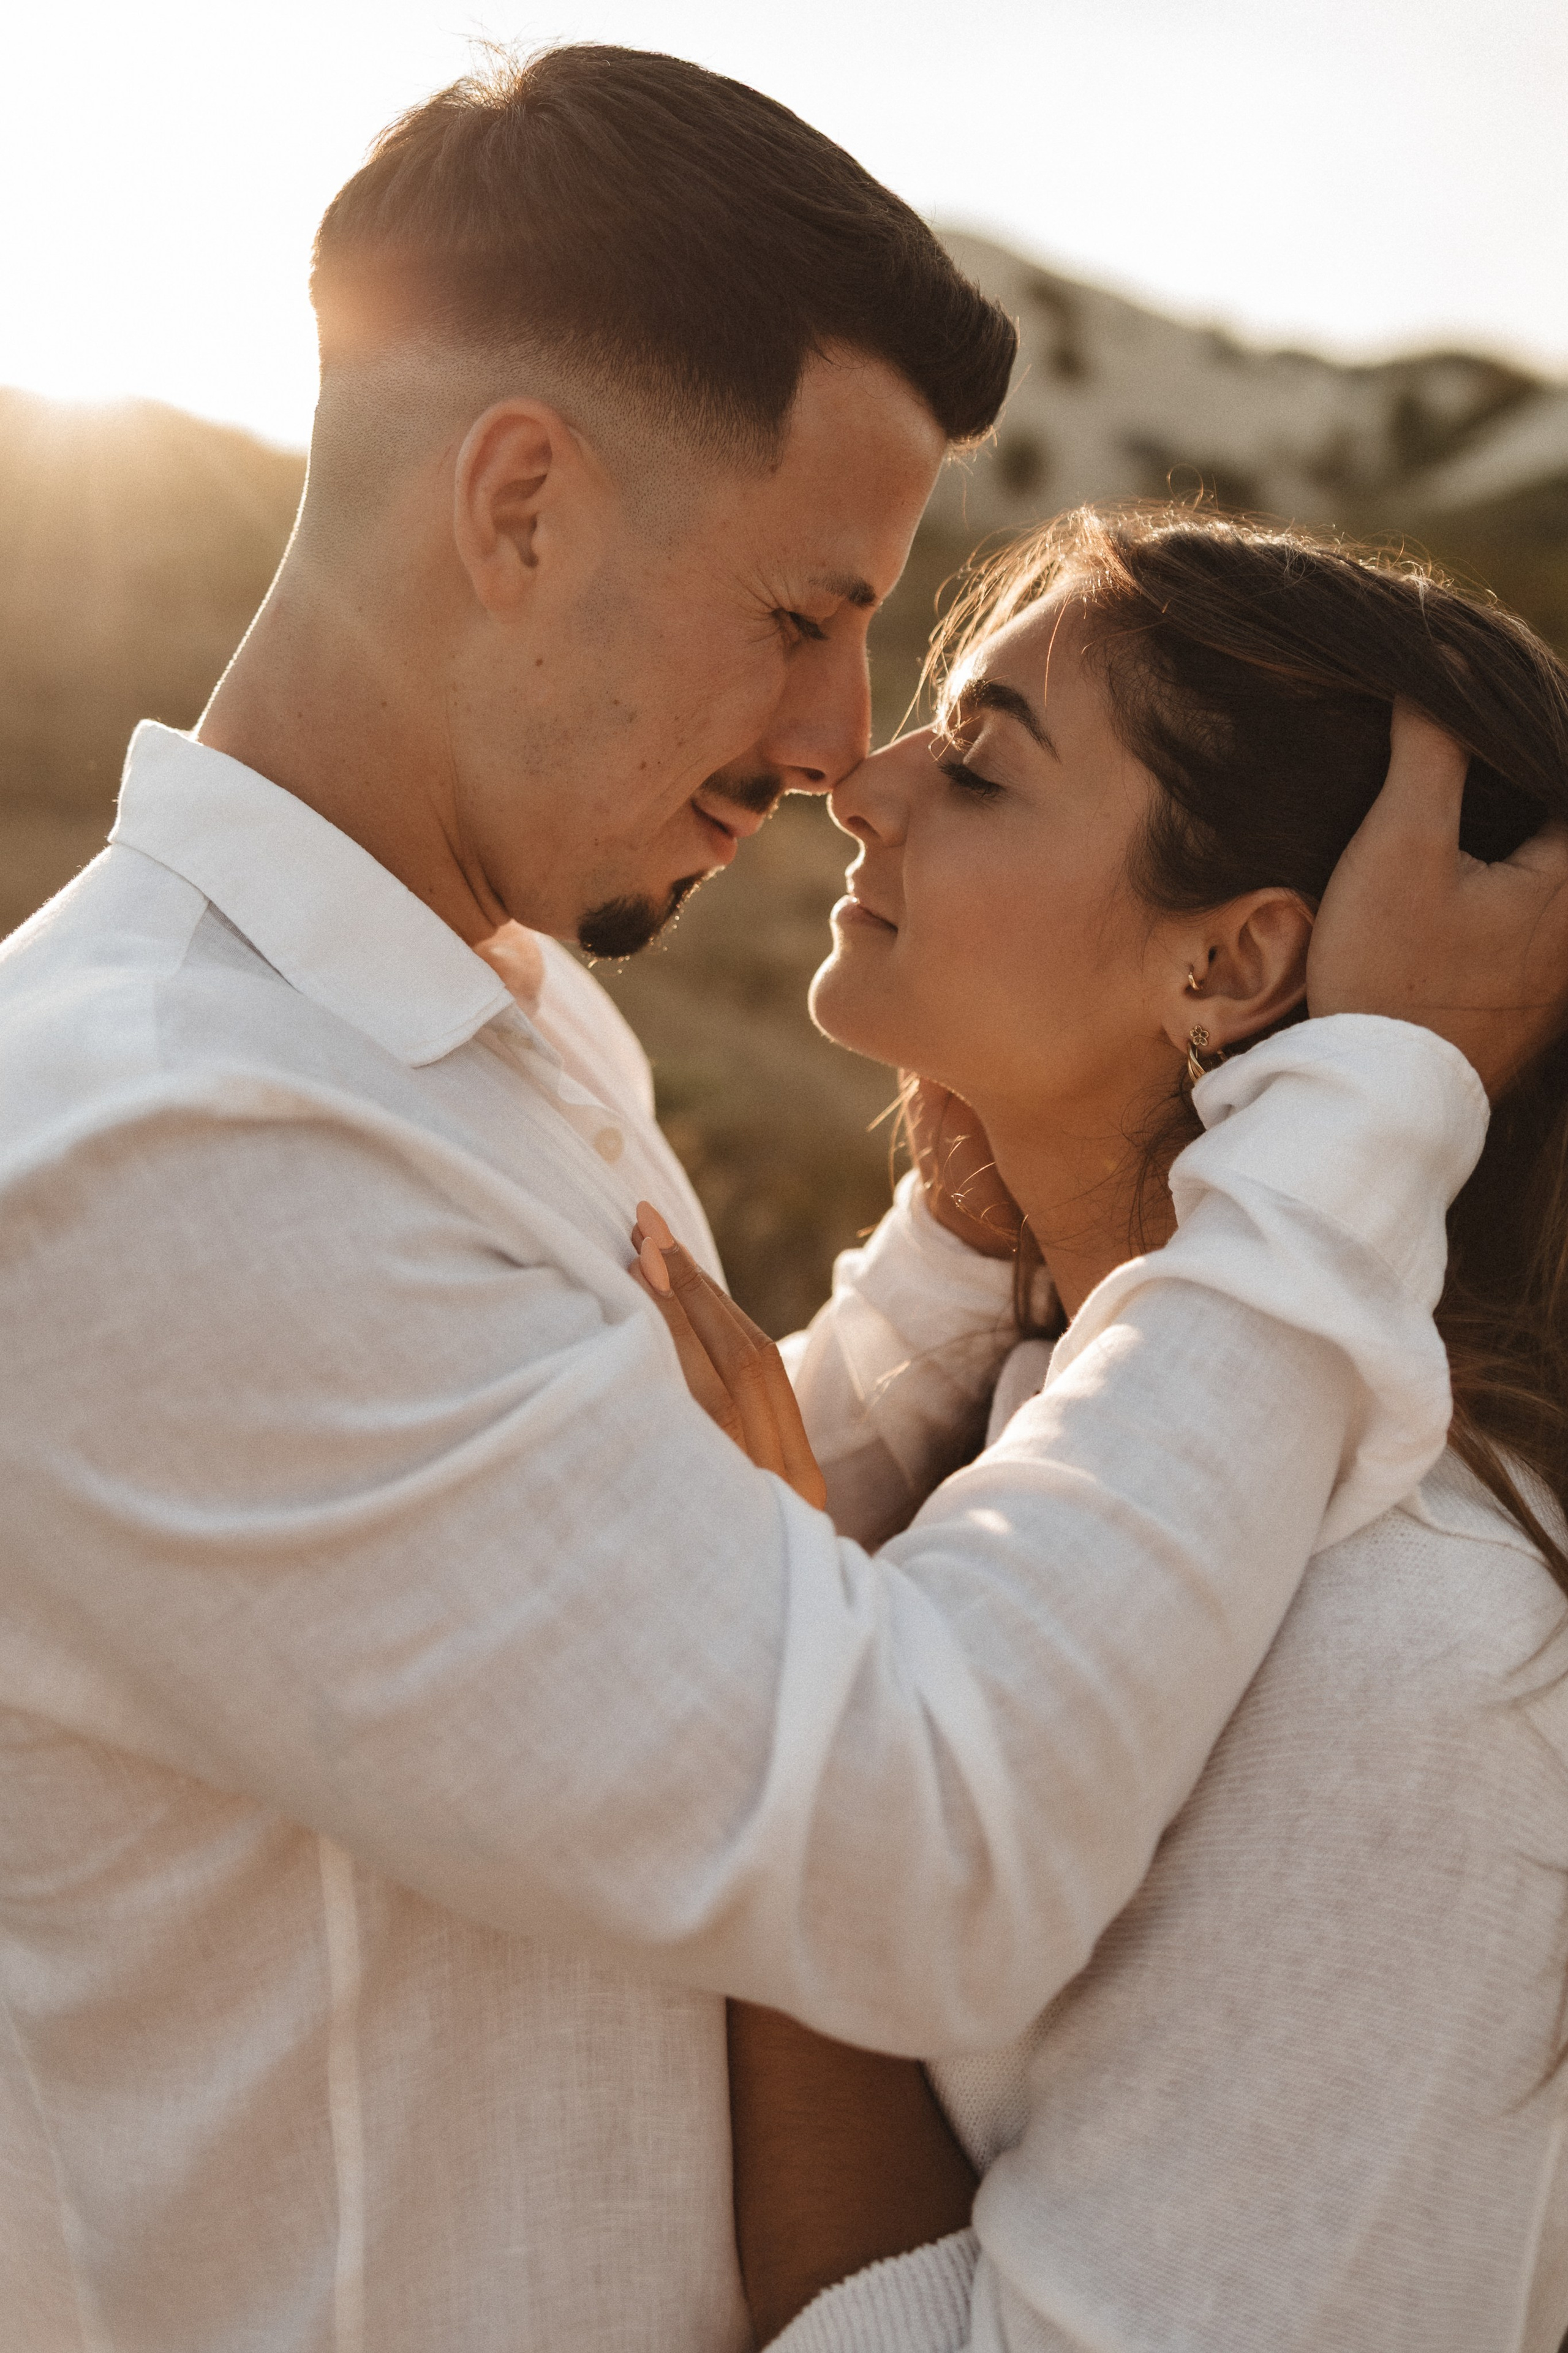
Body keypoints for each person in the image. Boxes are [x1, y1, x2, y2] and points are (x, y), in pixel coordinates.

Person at [0, 47, 1562, 2350]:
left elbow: (602, 1580)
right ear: (519, 504)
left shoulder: (497, 1020)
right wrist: (1367, 1109)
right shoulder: (177, 1153)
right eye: (802, 612)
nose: (848, 742)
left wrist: (965, 1264)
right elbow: (912, 1837)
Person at [649, 510, 1568, 2353]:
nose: (866, 780)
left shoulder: (1426, 1660)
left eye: (979, 767)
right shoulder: (1044, 1399)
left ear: (1229, 968)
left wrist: (783, 1698)